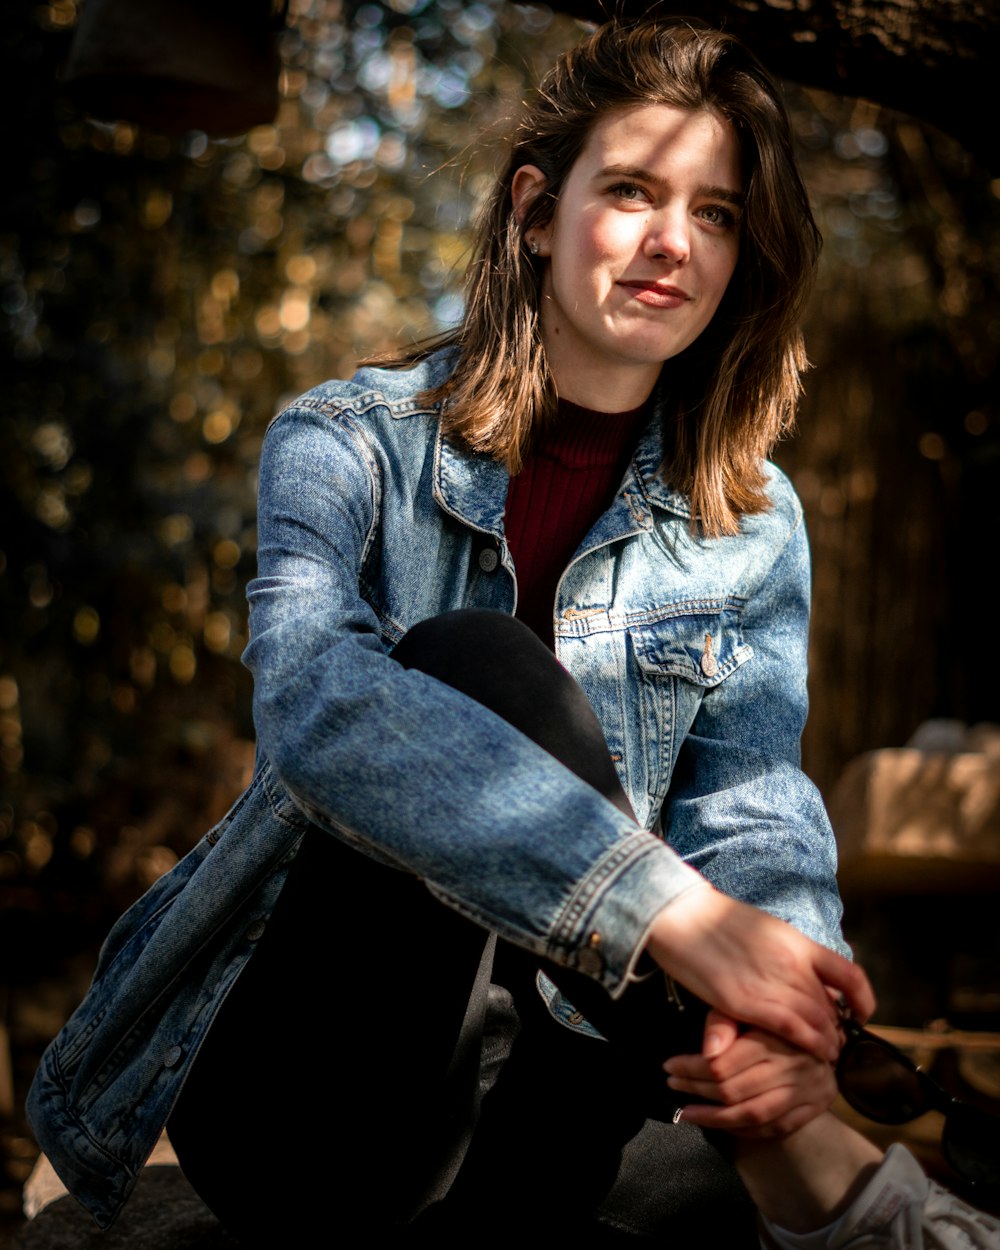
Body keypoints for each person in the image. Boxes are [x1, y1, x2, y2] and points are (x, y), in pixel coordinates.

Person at [26, 19, 1000, 1249]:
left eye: (715, 214)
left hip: (555, 1106)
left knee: (707, 1087)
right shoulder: (349, 443)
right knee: (480, 668)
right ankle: (832, 1189)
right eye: (635, 192)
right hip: (316, 1113)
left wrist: (784, 1002)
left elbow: (749, 794)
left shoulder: (750, 516)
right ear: (538, 212)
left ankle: (787, 1136)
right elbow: (317, 706)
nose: (671, 244)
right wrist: (674, 917)